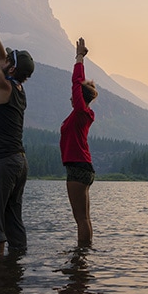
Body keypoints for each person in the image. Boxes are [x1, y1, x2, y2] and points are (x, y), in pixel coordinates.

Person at [0, 4, 35, 256]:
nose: (5, 60)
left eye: (9, 62)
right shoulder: (19, 89)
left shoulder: (2, 86)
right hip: (19, 162)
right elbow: (3, 59)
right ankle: (16, 275)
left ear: (12, 70)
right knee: (13, 221)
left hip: (1, 163)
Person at [60, 37, 98, 247]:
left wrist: (79, 57)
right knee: (85, 218)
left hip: (77, 168)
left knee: (80, 219)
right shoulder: (83, 114)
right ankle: (84, 257)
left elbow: (76, 82)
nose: (71, 96)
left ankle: (81, 258)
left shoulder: (81, 112)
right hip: (83, 167)